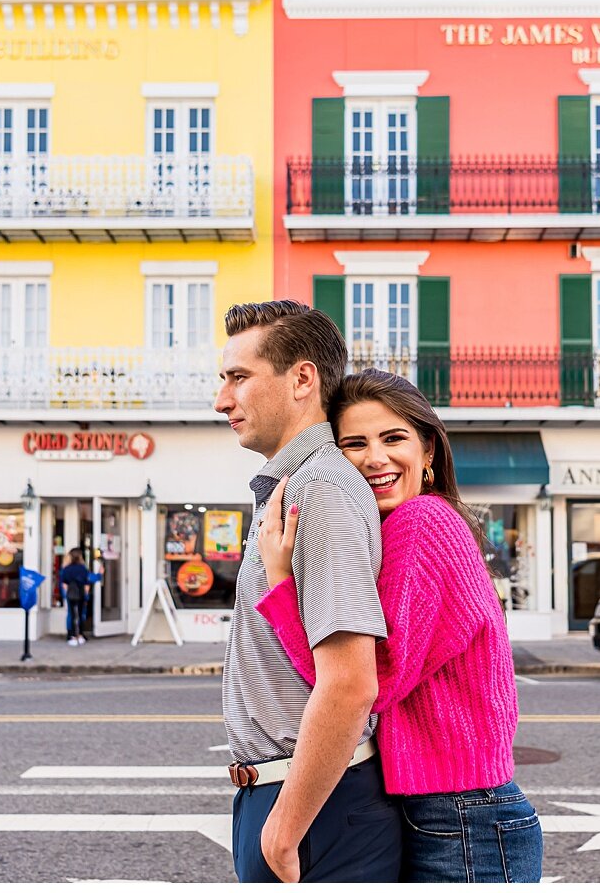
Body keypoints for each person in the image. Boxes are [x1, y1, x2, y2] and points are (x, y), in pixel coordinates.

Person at [254, 367, 544, 883]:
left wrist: (280, 583)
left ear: (428, 451)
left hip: (461, 817)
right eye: (354, 444)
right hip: (455, 810)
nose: (375, 459)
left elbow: (371, 679)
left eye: (393, 438)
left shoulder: (421, 525)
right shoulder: (412, 527)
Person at [214, 300, 400, 883]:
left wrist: (284, 828)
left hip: (314, 808)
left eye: (238, 377)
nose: (222, 400)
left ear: (301, 379)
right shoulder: (295, 486)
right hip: (301, 798)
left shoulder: (319, 490)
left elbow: (350, 682)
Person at [59, 549, 91, 645]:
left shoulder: (66, 569)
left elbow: (64, 584)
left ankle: (73, 636)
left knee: (72, 615)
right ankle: (80, 635)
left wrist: (66, 594)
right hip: (81, 593)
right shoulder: (83, 568)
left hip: (70, 593)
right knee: (81, 615)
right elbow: (86, 583)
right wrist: (86, 594)